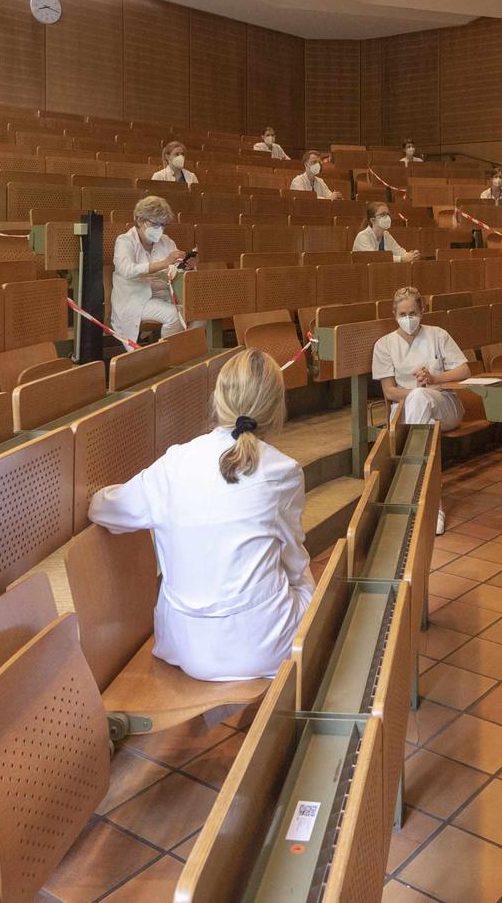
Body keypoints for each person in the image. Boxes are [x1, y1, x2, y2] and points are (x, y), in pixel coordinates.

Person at [88, 349, 312, 681]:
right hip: (259, 647)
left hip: (185, 646)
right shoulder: (284, 470)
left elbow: (104, 508)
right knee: (309, 587)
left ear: (217, 399)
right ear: (277, 408)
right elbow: (293, 561)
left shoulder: (176, 462)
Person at [371, 288, 466, 535]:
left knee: (422, 397)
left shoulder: (438, 335)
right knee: (419, 401)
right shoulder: (384, 345)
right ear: (394, 314)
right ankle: (433, 504)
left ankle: (410, 494)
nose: (408, 318)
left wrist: (433, 378)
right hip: (404, 409)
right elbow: (390, 392)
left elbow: (464, 371)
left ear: (422, 310)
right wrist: (416, 392)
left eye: (413, 313)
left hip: (444, 404)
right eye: (403, 314)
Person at [112, 194, 187, 345]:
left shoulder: (166, 241)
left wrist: (186, 266)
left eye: (163, 225)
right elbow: (127, 270)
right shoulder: (124, 241)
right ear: (140, 221)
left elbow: (175, 269)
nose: (160, 229)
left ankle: (186, 352)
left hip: (164, 296)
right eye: (155, 224)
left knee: (197, 314)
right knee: (174, 316)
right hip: (135, 299)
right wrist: (164, 263)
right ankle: (166, 355)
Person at [353, 201, 419, 262]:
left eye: (387, 214)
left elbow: (400, 252)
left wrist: (412, 255)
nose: (387, 217)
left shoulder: (386, 234)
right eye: (383, 214)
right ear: (372, 220)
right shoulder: (362, 236)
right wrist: (401, 259)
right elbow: (375, 258)